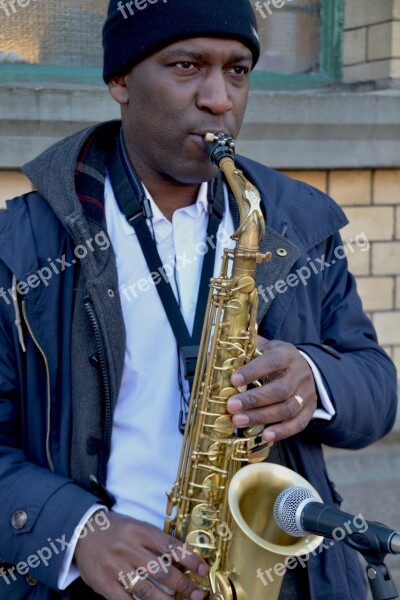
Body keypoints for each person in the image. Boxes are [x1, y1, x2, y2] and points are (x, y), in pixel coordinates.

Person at [0, 1, 397, 599]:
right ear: (120, 79)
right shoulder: (21, 246)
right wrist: (75, 530)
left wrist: (315, 381)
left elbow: (377, 388)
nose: (220, 100)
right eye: (186, 66)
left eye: (237, 70)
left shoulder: (296, 221)